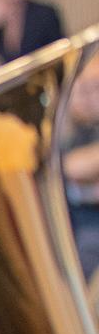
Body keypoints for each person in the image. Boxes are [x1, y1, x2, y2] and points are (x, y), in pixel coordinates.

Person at [62, 59, 99, 280]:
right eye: (83, 85)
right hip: (67, 230)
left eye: (97, 88)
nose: (89, 94)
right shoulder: (63, 127)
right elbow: (68, 168)